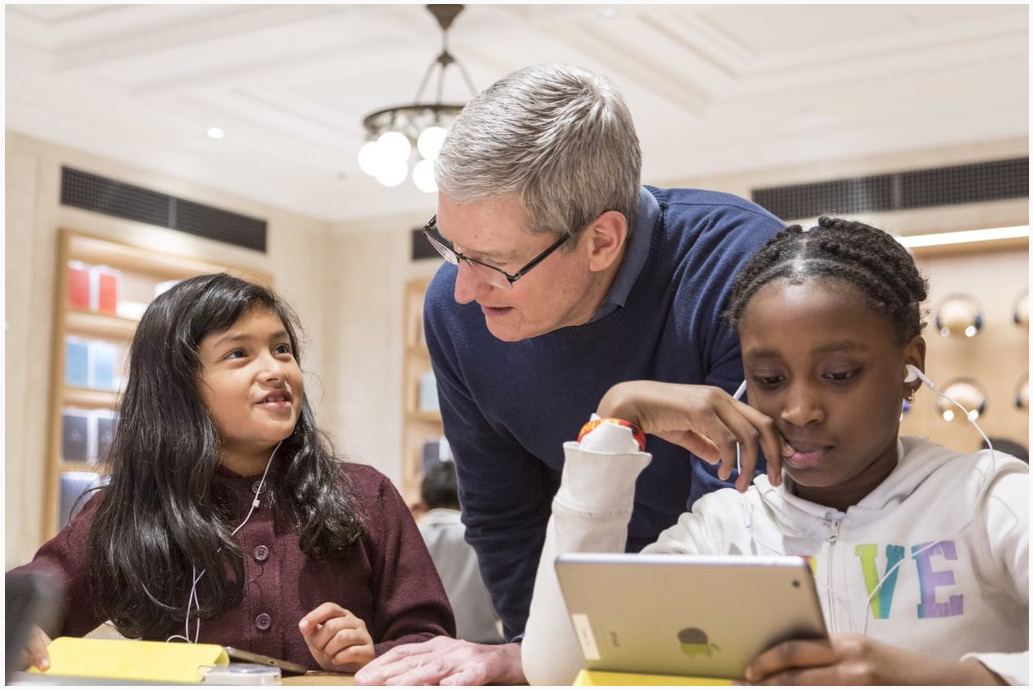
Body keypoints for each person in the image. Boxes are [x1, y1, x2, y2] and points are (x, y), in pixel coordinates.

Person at [355, 62, 783, 685]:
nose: (465, 289)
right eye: (450, 247)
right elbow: (503, 516)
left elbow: (733, 526)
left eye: (495, 263)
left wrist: (569, 655)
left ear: (602, 241)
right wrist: (533, 652)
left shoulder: (740, 267)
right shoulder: (454, 306)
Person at [521, 218, 1028, 685]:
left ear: (909, 366)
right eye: (769, 379)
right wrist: (614, 421)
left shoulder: (988, 499)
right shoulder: (724, 531)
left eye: (839, 375)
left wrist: (935, 680)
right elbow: (559, 672)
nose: (800, 409)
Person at [11, 273, 455, 673]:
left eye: (282, 349)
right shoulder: (129, 511)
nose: (276, 370)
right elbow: (23, 607)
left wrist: (369, 654)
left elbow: (431, 641)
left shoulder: (365, 493)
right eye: (239, 353)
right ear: (178, 387)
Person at [417, 461, 502, 644]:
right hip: (483, 647)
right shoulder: (485, 537)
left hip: (425, 647)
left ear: (424, 500)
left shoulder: (411, 534)